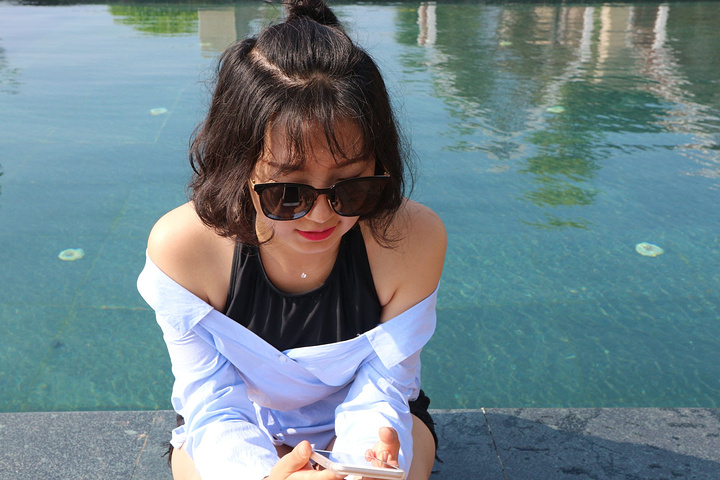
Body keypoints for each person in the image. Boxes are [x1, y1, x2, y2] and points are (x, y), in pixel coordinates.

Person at [137, 1, 446, 479]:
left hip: (375, 419)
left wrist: (362, 463)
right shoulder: (186, 247)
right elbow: (212, 405)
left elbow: (384, 388)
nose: (322, 215)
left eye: (352, 187)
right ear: (238, 168)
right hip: (233, 424)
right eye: (287, 192)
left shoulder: (410, 238)